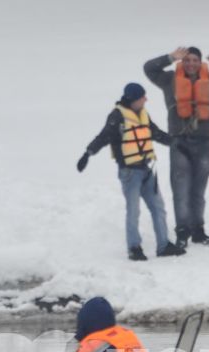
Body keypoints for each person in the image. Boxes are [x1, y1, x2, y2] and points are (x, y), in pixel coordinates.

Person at [78, 82, 186, 260]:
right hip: (130, 173)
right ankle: (134, 248)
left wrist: (174, 142)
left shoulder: (143, 114)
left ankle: (164, 245)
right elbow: (103, 137)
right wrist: (87, 154)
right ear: (134, 99)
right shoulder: (117, 117)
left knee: (158, 208)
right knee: (134, 211)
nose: (146, 99)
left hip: (147, 169)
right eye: (143, 97)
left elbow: (154, 132)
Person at [143, 45, 209, 245]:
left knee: (198, 191)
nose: (191, 64)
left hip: (204, 143)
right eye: (187, 60)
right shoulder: (169, 80)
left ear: (200, 62)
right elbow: (148, 69)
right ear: (182, 62)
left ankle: (198, 230)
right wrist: (170, 57)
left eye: (195, 60)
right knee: (181, 190)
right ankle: (182, 231)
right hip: (179, 143)